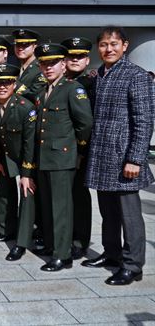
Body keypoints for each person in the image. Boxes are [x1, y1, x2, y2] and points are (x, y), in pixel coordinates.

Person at [83, 26, 155, 286]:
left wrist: (135, 158)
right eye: (103, 45)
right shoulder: (99, 75)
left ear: (125, 45)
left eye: (114, 44)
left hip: (125, 158)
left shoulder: (136, 76)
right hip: (102, 156)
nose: (109, 49)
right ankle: (111, 253)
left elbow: (144, 120)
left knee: (130, 215)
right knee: (108, 212)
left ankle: (133, 265)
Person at [34, 43, 93, 272]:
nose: (48, 68)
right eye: (44, 64)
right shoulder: (44, 91)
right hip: (45, 157)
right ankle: (52, 245)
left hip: (62, 158)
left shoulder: (72, 88)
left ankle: (63, 254)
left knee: (61, 208)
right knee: (48, 206)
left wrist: (76, 149)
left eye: (53, 63)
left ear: (62, 64)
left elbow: (85, 123)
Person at [0, 64, 37, 261]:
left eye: (7, 82)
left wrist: (26, 174)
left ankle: (21, 243)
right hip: (6, 155)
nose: (3, 86)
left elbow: (30, 144)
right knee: (2, 189)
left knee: (26, 194)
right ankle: (7, 230)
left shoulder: (26, 108)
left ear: (14, 84)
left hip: (28, 157)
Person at [61, 37, 95, 260]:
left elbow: (86, 123)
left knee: (78, 196)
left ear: (87, 59)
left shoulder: (91, 83)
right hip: (60, 151)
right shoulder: (60, 82)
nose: (75, 59)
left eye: (79, 56)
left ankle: (79, 241)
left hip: (79, 151)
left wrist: (80, 152)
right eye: (71, 56)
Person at [11, 29, 47, 101]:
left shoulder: (40, 68)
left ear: (34, 47)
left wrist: (15, 84)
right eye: (17, 45)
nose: (20, 48)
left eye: (25, 45)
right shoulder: (15, 67)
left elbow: (35, 96)